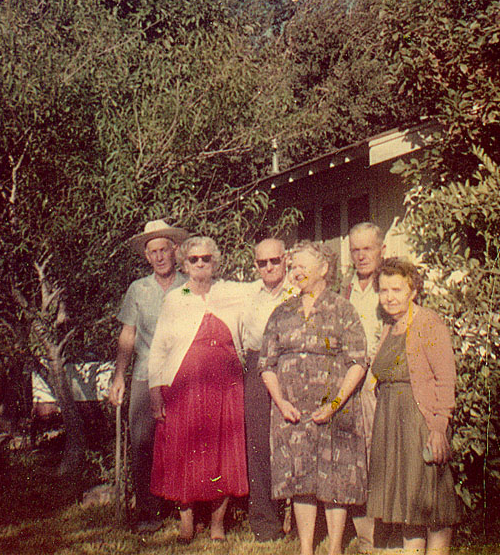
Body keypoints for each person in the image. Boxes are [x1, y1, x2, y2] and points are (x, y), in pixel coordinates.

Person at [260, 241, 368, 555]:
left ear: (323, 269)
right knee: (299, 479)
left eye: (302, 267)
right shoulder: (282, 312)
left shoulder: (343, 308)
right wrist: (281, 403)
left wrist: (335, 405)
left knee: (336, 478)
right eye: (293, 267)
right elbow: (266, 364)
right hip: (292, 411)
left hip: (335, 408)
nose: (296, 273)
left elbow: (358, 361)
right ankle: (306, 547)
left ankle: (335, 547)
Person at [148, 236, 248, 543]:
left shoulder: (230, 292)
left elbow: (267, 292)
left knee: (224, 453)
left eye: (206, 258)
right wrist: (154, 390)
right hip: (185, 387)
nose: (200, 264)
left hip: (227, 387)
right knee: (184, 450)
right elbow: (158, 347)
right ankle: (187, 522)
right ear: (185, 264)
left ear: (215, 261)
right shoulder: (176, 298)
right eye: (194, 259)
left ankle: (218, 523)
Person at [367, 258, 460, 555]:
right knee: (409, 503)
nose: (390, 297)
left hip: (419, 421)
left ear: (413, 290)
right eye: (384, 290)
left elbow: (446, 379)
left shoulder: (428, 323)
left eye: (397, 289)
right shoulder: (388, 327)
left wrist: (438, 427)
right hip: (391, 423)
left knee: (431, 502)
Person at [108, 219, 189, 534]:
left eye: (164, 250)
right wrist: (119, 376)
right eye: (152, 251)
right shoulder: (137, 289)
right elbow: (127, 336)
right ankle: (148, 512)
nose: (159, 257)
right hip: (144, 374)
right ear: (146, 255)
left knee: (184, 439)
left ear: (175, 250)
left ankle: (187, 507)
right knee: (143, 441)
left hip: (183, 374)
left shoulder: (190, 283)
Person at [242, 237, 298, 542]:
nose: (269, 267)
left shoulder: (298, 289)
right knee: (259, 445)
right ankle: (265, 521)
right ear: (255, 265)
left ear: (285, 258)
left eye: (274, 260)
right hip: (256, 364)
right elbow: (194, 293)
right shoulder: (248, 293)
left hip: (292, 364)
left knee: (294, 439)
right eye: (262, 262)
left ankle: (302, 521)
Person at [345, 222, 386, 551]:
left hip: (379, 385)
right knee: (355, 460)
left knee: (381, 458)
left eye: (367, 248)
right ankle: (366, 536)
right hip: (348, 387)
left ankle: (390, 532)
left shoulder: (389, 287)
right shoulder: (345, 290)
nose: (361, 256)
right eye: (355, 249)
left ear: (381, 250)